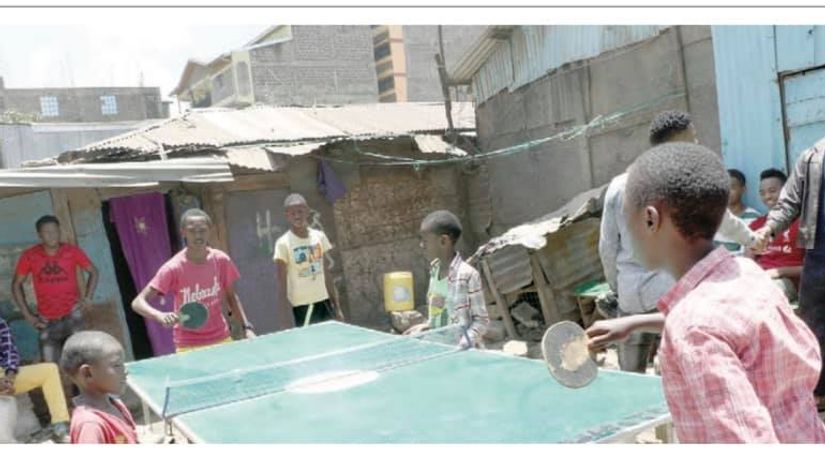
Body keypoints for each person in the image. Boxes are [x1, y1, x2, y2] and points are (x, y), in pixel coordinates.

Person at [589, 142, 825, 443]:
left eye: (626, 219)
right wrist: (635, 323)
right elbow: (727, 326)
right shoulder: (748, 275)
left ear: (650, 219)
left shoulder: (692, 333)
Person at [598, 110, 755, 373]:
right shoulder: (683, 184)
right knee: (680, 370)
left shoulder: (619, 185)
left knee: (630, 377)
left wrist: (617, 286)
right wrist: (752, 238)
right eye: (692, 139)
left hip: (630, 297)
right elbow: (722, 222)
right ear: (677, 143)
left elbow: (607, 246)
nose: (696, 145)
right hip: (671, 294)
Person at [753, 136, 825, 411]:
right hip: (818, 256)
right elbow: (788, 202)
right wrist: (768, 229)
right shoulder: (812, 157)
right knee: (815, 326)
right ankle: (819, 390)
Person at [132, 209, 255, 352]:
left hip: (222, 338)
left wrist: (247, 328)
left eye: (202, 230)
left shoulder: (221, 260)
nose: (198, 235)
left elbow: (231, 297)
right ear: (183, 232)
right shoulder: (173, 268)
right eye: (192, 231)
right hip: (188, 345)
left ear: (209, 231)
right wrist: (159, 315)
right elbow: (137, 302)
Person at [12, 215, 99, 364]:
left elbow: (93, 272)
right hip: (46, 320)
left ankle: (77, 388)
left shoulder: (72, 251)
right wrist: (28, 316)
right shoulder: (30, 256)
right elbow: (16, 285)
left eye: (55, 231)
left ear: (60, 232)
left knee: (80, 364)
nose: (52, 235)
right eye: (47, 232)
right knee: (50, 367)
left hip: (73, 315)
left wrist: (88, 297)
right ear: (39, 235)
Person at [404, 211, 488, 349]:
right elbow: (439, 313)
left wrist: (465, 341)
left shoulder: (467, 275)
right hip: (438, 348)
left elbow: (481, 321)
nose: (421, 245)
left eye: (425, 241)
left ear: (443, 241)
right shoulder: (434, 271)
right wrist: (426, 327)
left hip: (461, 353)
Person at [274, 194, 343, 327]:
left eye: (300, 211)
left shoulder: (319, 237)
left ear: (307, 211)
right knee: (311, 345)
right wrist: (284, 318)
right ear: (287, 216)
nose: (297, 216)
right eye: (292, 213)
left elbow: (326, 273)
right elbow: (281, 284)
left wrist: (337, 306)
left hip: (324, 301)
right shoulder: (283, 244)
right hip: (302, 305)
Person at [0, 315, 70, 443]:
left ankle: (60, 424)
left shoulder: (1, 323)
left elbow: (10, 353)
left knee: (49, 370)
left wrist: (9, 377)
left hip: (4, 375)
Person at [60, 330, 136, 444]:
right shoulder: (90, 425)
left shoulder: (116, 404)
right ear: (87, 373)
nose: (125, 371)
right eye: (117, 365)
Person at [745, 168, 803, 302]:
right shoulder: (756, 225)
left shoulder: (804, 225)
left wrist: (778, 272)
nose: (767, 197)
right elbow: (748, 261)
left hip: (786, 281)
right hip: (758, 278)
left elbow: (813, 268)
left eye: (772, 191)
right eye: (762, 193)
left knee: (763, 294)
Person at [714, 169, 761, 254]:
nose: (727, 192)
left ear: (743, 189)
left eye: (732, 187)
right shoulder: (715, 215)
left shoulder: (754, 217)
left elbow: (751, 248)